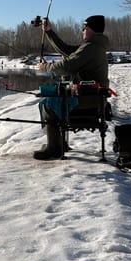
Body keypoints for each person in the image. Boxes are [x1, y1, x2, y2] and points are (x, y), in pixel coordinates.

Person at [34, 15, 109, 160]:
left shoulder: (91, 47)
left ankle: (54, 148)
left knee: (49, 103)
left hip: (88, 100)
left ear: (91, 30)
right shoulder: (93, 46)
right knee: (54, 98)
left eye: (85, 28)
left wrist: (46, 66)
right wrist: (49, 32)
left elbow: (67, 66)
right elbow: (67, 51)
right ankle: (60, 144)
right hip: (94, 97)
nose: (82, 30)